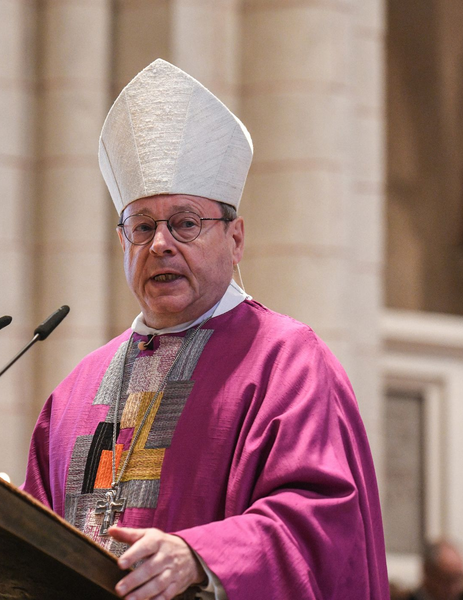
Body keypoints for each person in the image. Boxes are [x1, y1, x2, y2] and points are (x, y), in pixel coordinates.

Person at [21, 59, 389, 600]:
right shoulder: (76, 390)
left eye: (186, 223)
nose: (160, 244)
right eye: (142, 226)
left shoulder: (288, 362)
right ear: (123, 242)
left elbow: (320, 526)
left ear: (235, 239)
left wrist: (199, 557)